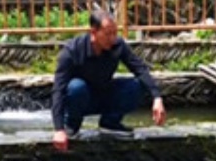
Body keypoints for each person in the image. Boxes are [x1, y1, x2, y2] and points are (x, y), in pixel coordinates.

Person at [52, 12, 167, 152]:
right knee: (76, 87)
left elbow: (140, 69)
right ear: (93, 32)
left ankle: (110, 123)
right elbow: (58, 89)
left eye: (115, 33)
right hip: (79, 100)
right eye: (107, 34)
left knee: (136, 86)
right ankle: (71, 126)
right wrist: (59, 129)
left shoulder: (117, 45)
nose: (112, 38)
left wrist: (157, 97)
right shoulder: (72, 51)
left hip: (104, 94)